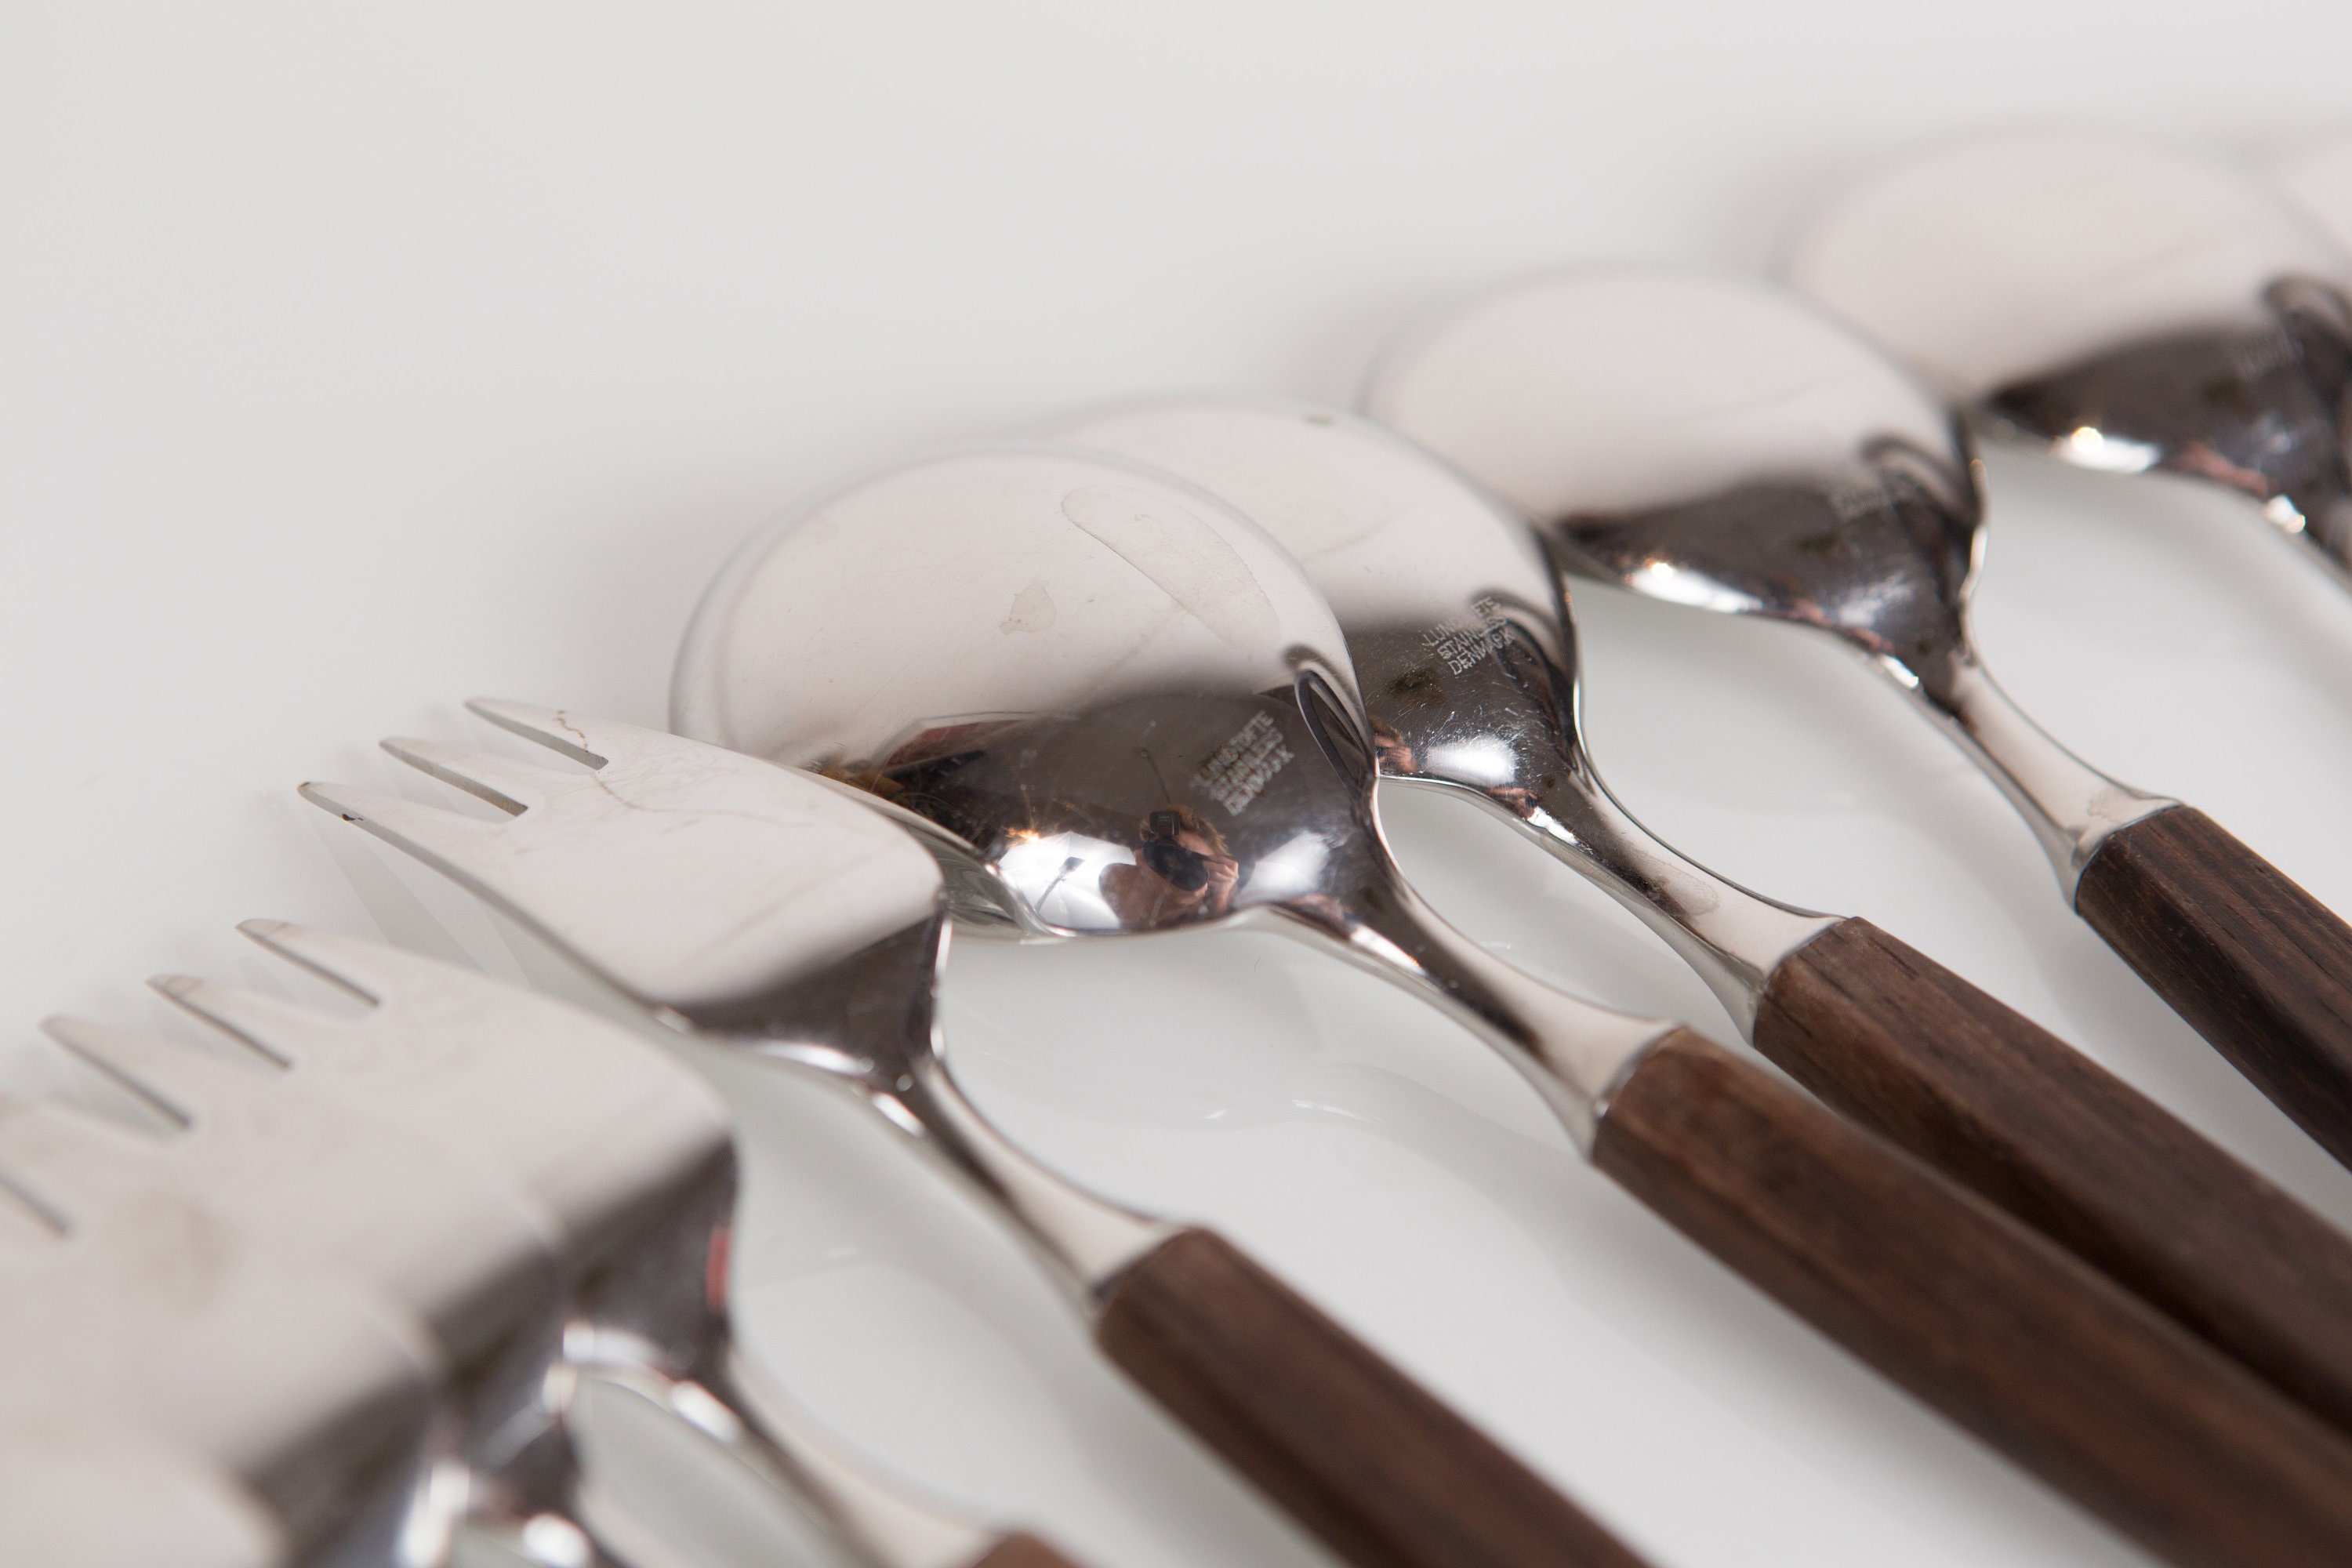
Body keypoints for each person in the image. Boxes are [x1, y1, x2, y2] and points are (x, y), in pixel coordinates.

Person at [1098, 805, 1240, 931]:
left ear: (1211, 882)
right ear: (1145, 853)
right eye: (1172, 854)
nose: (1178, 866)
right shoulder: (1116, 877)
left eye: (1194, 864)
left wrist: (1219, 905)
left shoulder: (1205, 917)